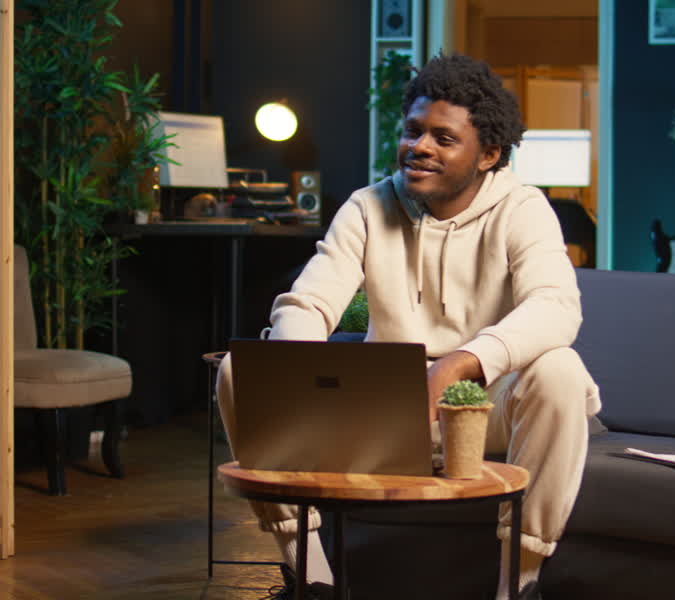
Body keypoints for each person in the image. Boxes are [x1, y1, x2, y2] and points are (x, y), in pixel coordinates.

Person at [216, 53, 601, 600]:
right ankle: (312, 577)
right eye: (413, 131)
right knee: (242, 371)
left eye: (444, 139)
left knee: (560, 371)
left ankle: (518, 583)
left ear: (488, 154)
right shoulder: (368, 206)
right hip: (385, 410)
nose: (419, 147)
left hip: (482, 406)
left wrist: (458, 364)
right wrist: (291, 365)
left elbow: (558, 306)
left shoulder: (523, 208)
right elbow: (310, 301)